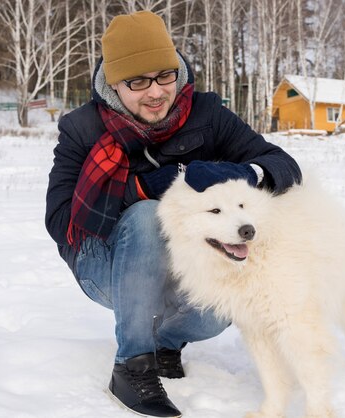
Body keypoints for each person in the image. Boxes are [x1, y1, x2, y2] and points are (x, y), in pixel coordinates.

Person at [45, 10, 302, 418]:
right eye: (137, 82)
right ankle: (132, 365)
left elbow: (285, 166)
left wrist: (245, 172)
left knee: (224, 301)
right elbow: (60, 221)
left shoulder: (207, 113)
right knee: (147, 215)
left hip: (186, 265)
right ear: (113, 84)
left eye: (164, 75)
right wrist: (147, 188)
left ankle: (165, 341)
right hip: (105, 265)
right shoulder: (82, 128)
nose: (155, 92)